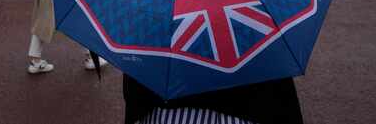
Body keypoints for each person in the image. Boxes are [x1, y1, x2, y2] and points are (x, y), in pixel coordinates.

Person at [123, 74, 303, 124]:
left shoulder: (151, 0)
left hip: (167, 111)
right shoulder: (257, 0)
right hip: (248, 106)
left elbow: (136, 92)